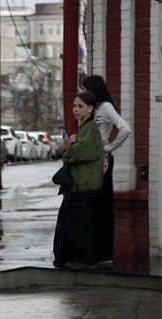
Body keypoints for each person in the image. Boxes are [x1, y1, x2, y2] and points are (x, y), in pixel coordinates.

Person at [79, 75, 132, 264]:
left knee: (102, 206)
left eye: (85, 89)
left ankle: (104, 253)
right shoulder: (91, 109)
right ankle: (92, 251)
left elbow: (125, 129)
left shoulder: (106, 108)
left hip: (102, 162)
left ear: (94, 90)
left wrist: (109, 147)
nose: (82, 93)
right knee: (91, 206)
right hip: (89, 162)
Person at [53, 91, 104, 270]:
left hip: (85, 186)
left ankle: (86, 258)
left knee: (80, 225)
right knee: (73, 223)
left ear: (90, 109)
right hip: (78, 186)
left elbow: (81, 152)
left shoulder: (91, 130)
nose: (76, 109)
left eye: (80, 106)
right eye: (74, 106)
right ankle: (73, 257)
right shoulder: (85, 128)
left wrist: (68, 149)